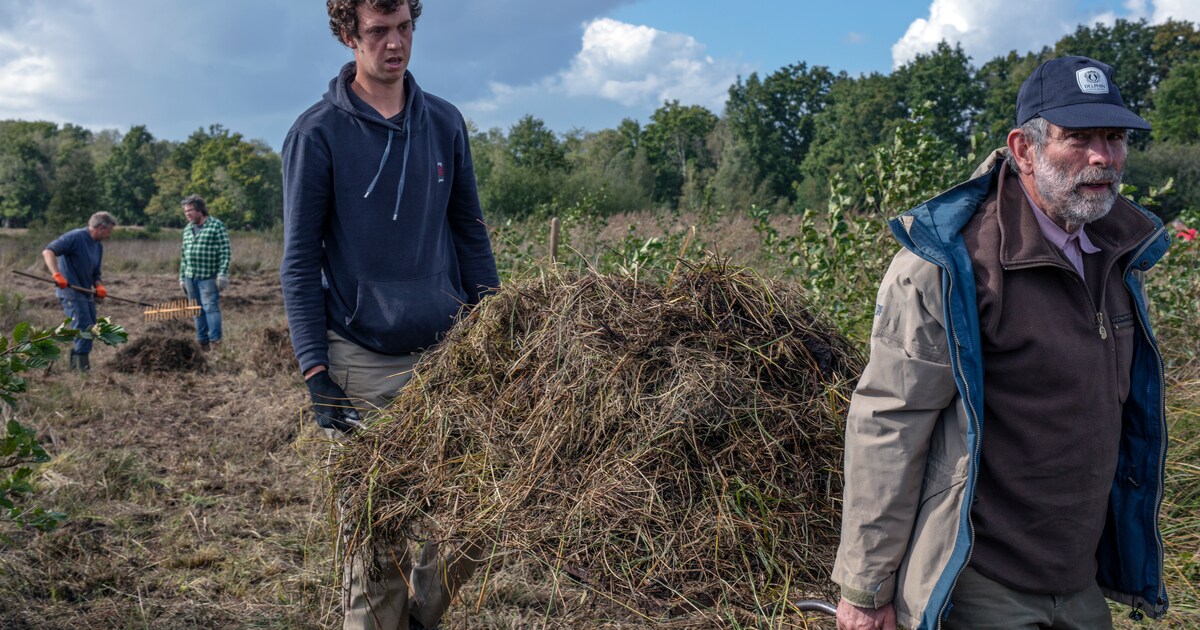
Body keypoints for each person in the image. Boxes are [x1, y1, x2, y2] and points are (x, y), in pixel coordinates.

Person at [833, 56, 1171, 630]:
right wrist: (866, 590)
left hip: (1079, 579)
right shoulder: (949, 264)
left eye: (1114, 138)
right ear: (1024, 149)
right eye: (1078, 138)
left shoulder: (1120, 253)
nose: (1102, 158)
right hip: (981, 582)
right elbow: (890, 422)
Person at [280, 0, 499, 628]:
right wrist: (314, 370)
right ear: (349, 35)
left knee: (469, 523)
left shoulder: (444, 122)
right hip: (360, 362)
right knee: (375, 551)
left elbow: (470, 234)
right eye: (378, 31)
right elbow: (298, 262)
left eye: (404, 28)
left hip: (449, 357)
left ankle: (418, 621)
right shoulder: (316, 133)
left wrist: (499, 328)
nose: (395, 44)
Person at [41, 212, 117, 372]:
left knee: (91, 329)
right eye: (108, 231)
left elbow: (96, 272)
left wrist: (99, 286)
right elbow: (48, 252)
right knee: (83, 328)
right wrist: (57, 274)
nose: (109, 235)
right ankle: (81, 371)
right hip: (70, 292)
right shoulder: (75, 237)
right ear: (100, 227)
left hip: (86, 293)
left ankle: (76, 366)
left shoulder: (98, 245)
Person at [178, 194, 231, 350]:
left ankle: (215, 341)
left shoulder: (216, 226)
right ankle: (202, 341)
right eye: (185, 212)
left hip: (208, 276)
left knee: (210, 308)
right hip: (190, 276)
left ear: (200, 210)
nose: (187, 214)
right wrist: (182, 277)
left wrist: (222, 273)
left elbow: (225, 251)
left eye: (190, 211)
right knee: (196, 309)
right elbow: (183, 255)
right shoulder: (187, 229)